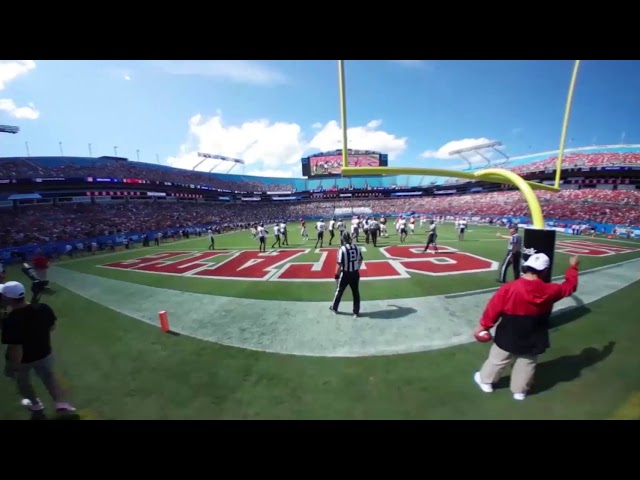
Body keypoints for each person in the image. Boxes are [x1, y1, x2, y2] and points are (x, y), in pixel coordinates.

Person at [473, 253, 579, 400]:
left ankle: (486, 382)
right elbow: (570, 287)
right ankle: (519, 391)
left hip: (509, 330)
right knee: (527, 362)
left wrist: (483, 326)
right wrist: (573, 268)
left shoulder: (510, 288)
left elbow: (493, 309)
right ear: (545, 271)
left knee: (498, 358)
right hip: (535, 332)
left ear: (527, 267)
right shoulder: (552, 290)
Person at [1, 281, 76, 414]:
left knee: (23, 381)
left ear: (8, 298)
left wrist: (14, 367)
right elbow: (52, 327)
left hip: (24, 360)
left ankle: (35, 404)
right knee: (49, 377)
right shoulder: (43, 308)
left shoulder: (10, 320)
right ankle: (61, 403)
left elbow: (15, 348)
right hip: (44, 353)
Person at [330, 233, 363, 319]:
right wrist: (357, 268)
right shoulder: (357, 247)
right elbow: (360, 260)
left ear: (343, 239)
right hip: (355, 273)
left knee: (339, 291)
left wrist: (336, 276)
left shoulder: (342, 249)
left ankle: (334, 307)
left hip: (345, 273)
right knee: (355, 292)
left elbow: (339, 264)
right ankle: (356, 311)